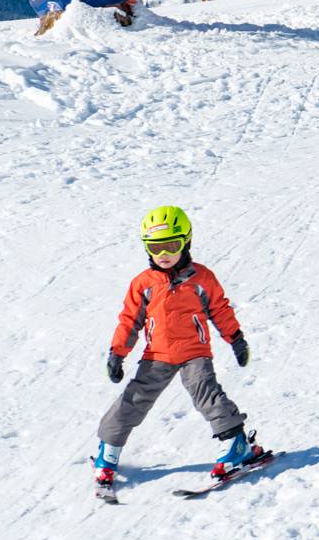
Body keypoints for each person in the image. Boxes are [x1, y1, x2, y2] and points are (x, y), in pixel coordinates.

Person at [94, 206, 262, 492]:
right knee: (133, 399)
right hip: (156, 355)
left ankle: (236, 444)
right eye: (155, 247)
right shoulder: (143, 284)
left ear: (186, 242)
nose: (164, 254)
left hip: (194, 352)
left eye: (171, 246)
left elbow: (220, 310)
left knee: (206, 393)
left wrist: (236, 338)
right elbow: (129, 320)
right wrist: (117, 353)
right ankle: (108, 450)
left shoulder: (202, 279)